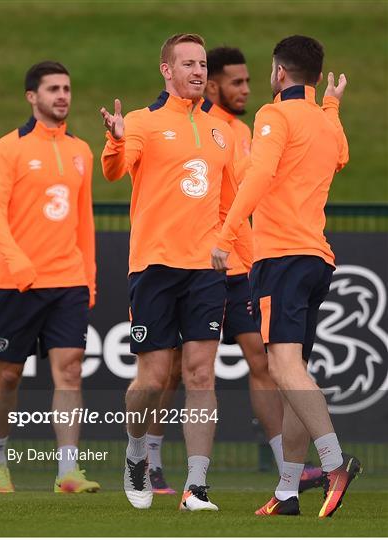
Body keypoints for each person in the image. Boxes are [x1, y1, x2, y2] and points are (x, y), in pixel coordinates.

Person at [146, 45, 323, 495]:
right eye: (235, 81)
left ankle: (289, 466)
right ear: (213, 85)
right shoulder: (199, 128)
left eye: (249, 80)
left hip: (239, 264)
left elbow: (250, 192)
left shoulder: (246, 128)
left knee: (264, 361)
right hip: (197, 261)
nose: (243, 88)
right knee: (171, 370)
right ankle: (149, 457)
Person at [211, 35, 361, 518]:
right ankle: (289, 490)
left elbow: (257, 176)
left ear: (279, 74)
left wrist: (227, 233)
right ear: (317, 77)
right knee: (296, 372)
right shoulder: (323, 119)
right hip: (318, 260)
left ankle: (334, 463)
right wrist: (332, 106)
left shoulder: (273, 116)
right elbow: (340, 155)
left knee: (283, 367)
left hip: (282, 257)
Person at [100, 33, 251, 511]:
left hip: (206, 267)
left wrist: (242, 254)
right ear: (166, 69)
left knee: (202, 373)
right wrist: (116, 139)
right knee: (153, 377)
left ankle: (196, 487)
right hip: (154, 265)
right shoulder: (143, 122)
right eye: (188, 64)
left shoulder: (220, 131)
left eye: (203, 64)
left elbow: (232, 203)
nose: (199, 72)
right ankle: (135, 453)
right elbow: (115, 169)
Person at [0, 61, 99, 494]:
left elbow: (84, 221)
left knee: (69, 372)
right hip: (15, 281)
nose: (62, 95)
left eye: (67, 88)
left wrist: (88, 277)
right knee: (7, 375)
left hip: (66, 279)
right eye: (53, 89)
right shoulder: (7, 148)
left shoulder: (81, 150)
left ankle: (68, 470)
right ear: (32, 97)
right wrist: (16, 259)